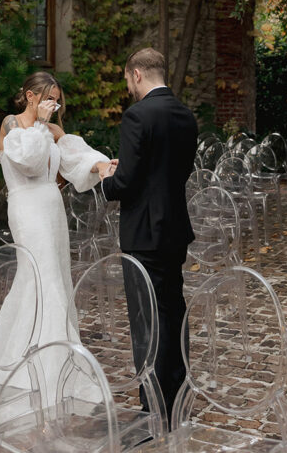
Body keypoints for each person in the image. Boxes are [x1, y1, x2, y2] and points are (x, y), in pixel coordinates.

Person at [0, 70, 113, 387]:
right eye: (48, 99)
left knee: (53, 277)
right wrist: (40, 127)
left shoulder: (53, 129)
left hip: (52, 207)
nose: (53, 106)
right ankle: (44, 368)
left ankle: (46, 357)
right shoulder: (12, 124)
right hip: (27, 208)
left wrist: (101, 165)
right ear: (31, 96)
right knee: (40, 275)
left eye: (57, 102)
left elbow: (76, 156)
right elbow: (30, 162)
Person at [99, 47, 198, 424]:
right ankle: (178, 398)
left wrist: (108, 179)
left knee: (146, 322)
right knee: (172, 314)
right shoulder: (185, 115)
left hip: (143, 234)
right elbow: (174, 170)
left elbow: (126, 182)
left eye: (127, 80)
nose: (129, 87)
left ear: (137, 74)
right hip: (174, 229)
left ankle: (154, 409)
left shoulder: (137, 116)